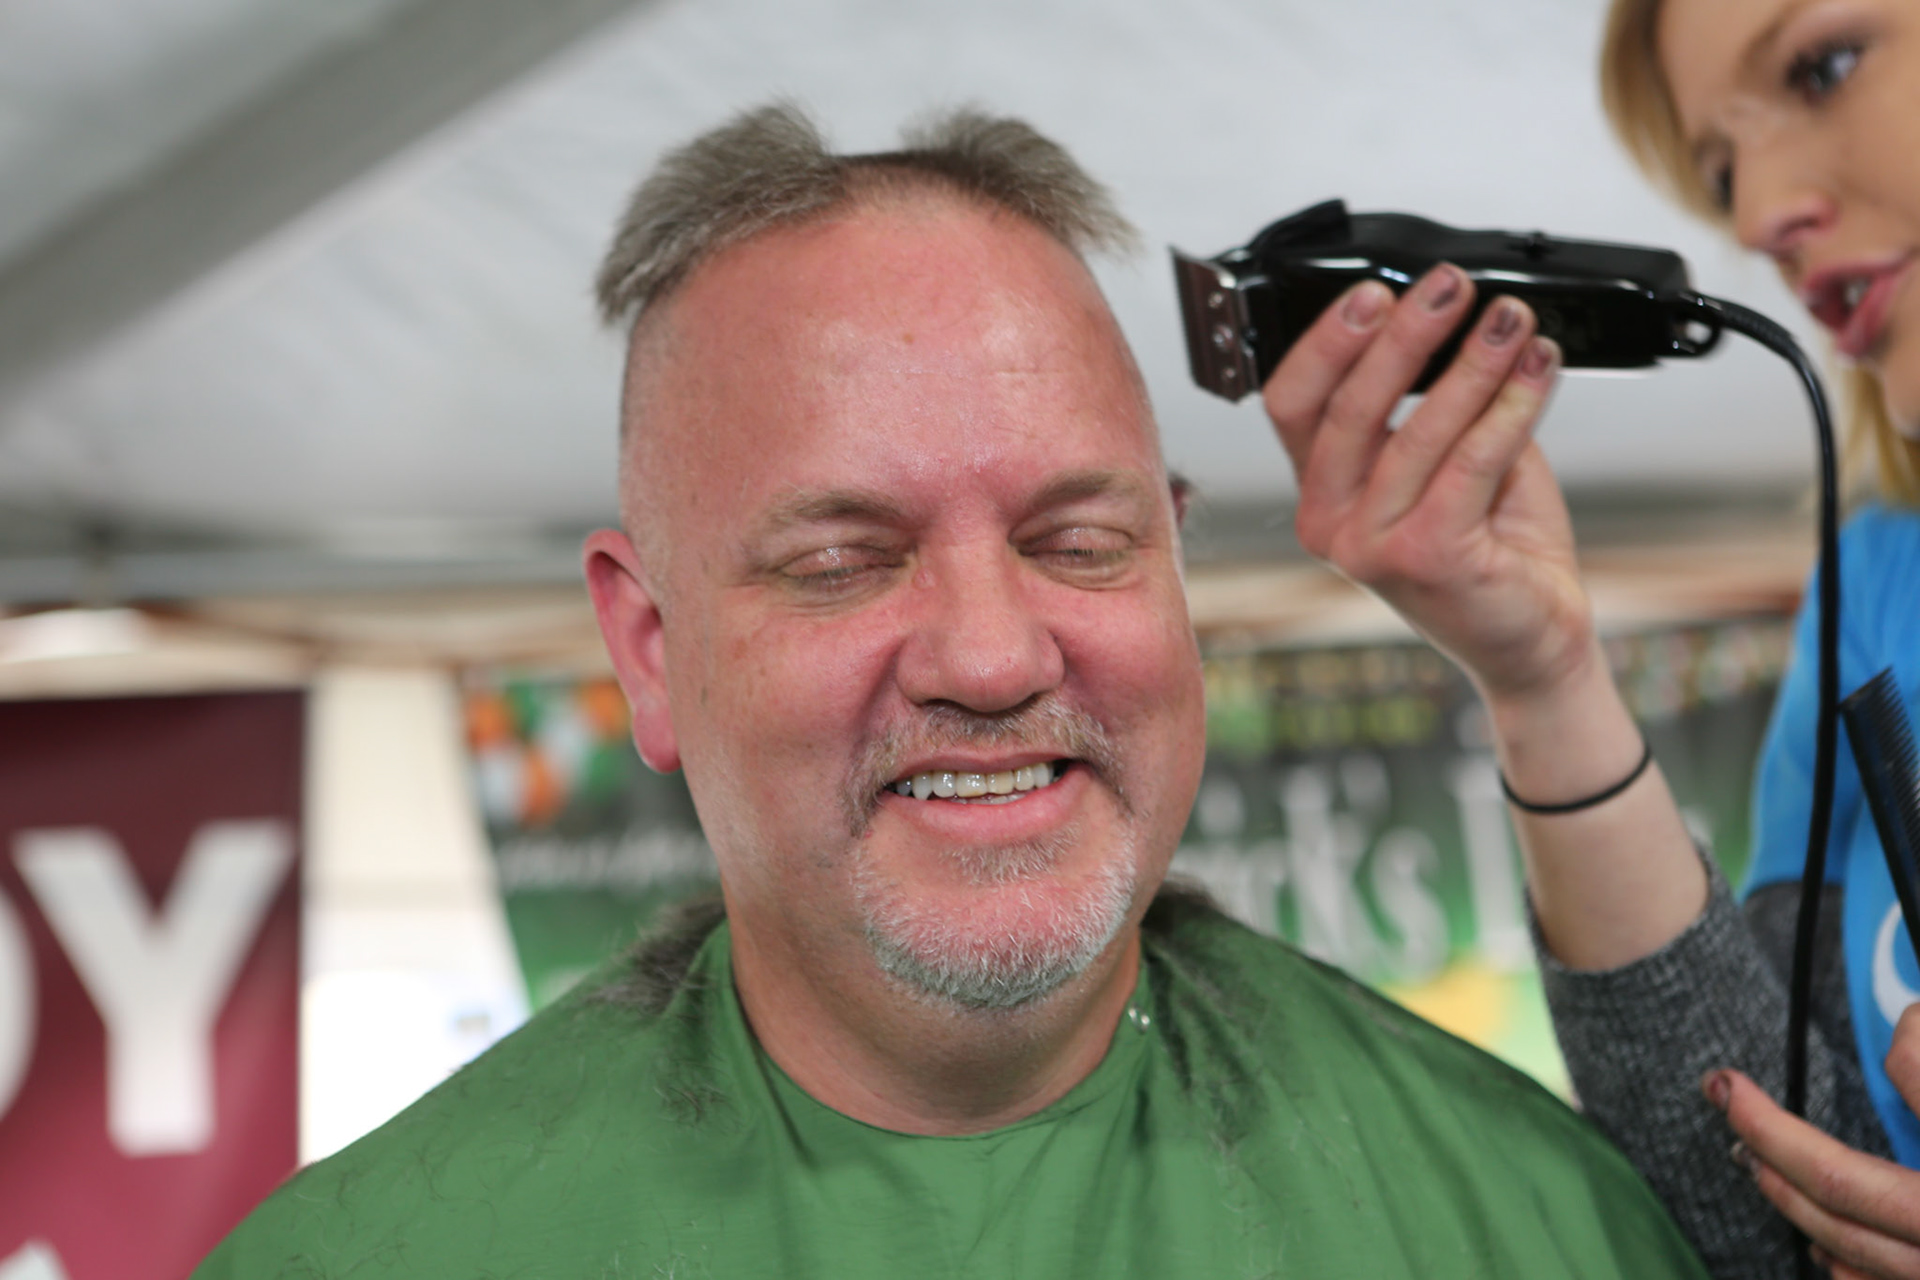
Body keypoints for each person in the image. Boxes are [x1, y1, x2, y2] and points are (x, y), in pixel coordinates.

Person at [190, 104, 1709, 1277]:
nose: (992, 657)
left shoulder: (1536, 1224)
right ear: (649, 648)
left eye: (1079, 542)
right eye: (844, 561)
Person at [1253, 1, 1920, 1276]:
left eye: (1823, 65)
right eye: (1719, 170)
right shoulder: (1877, 583)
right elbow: (1775, 1213)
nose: (1755, 215)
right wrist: (1540, 679)